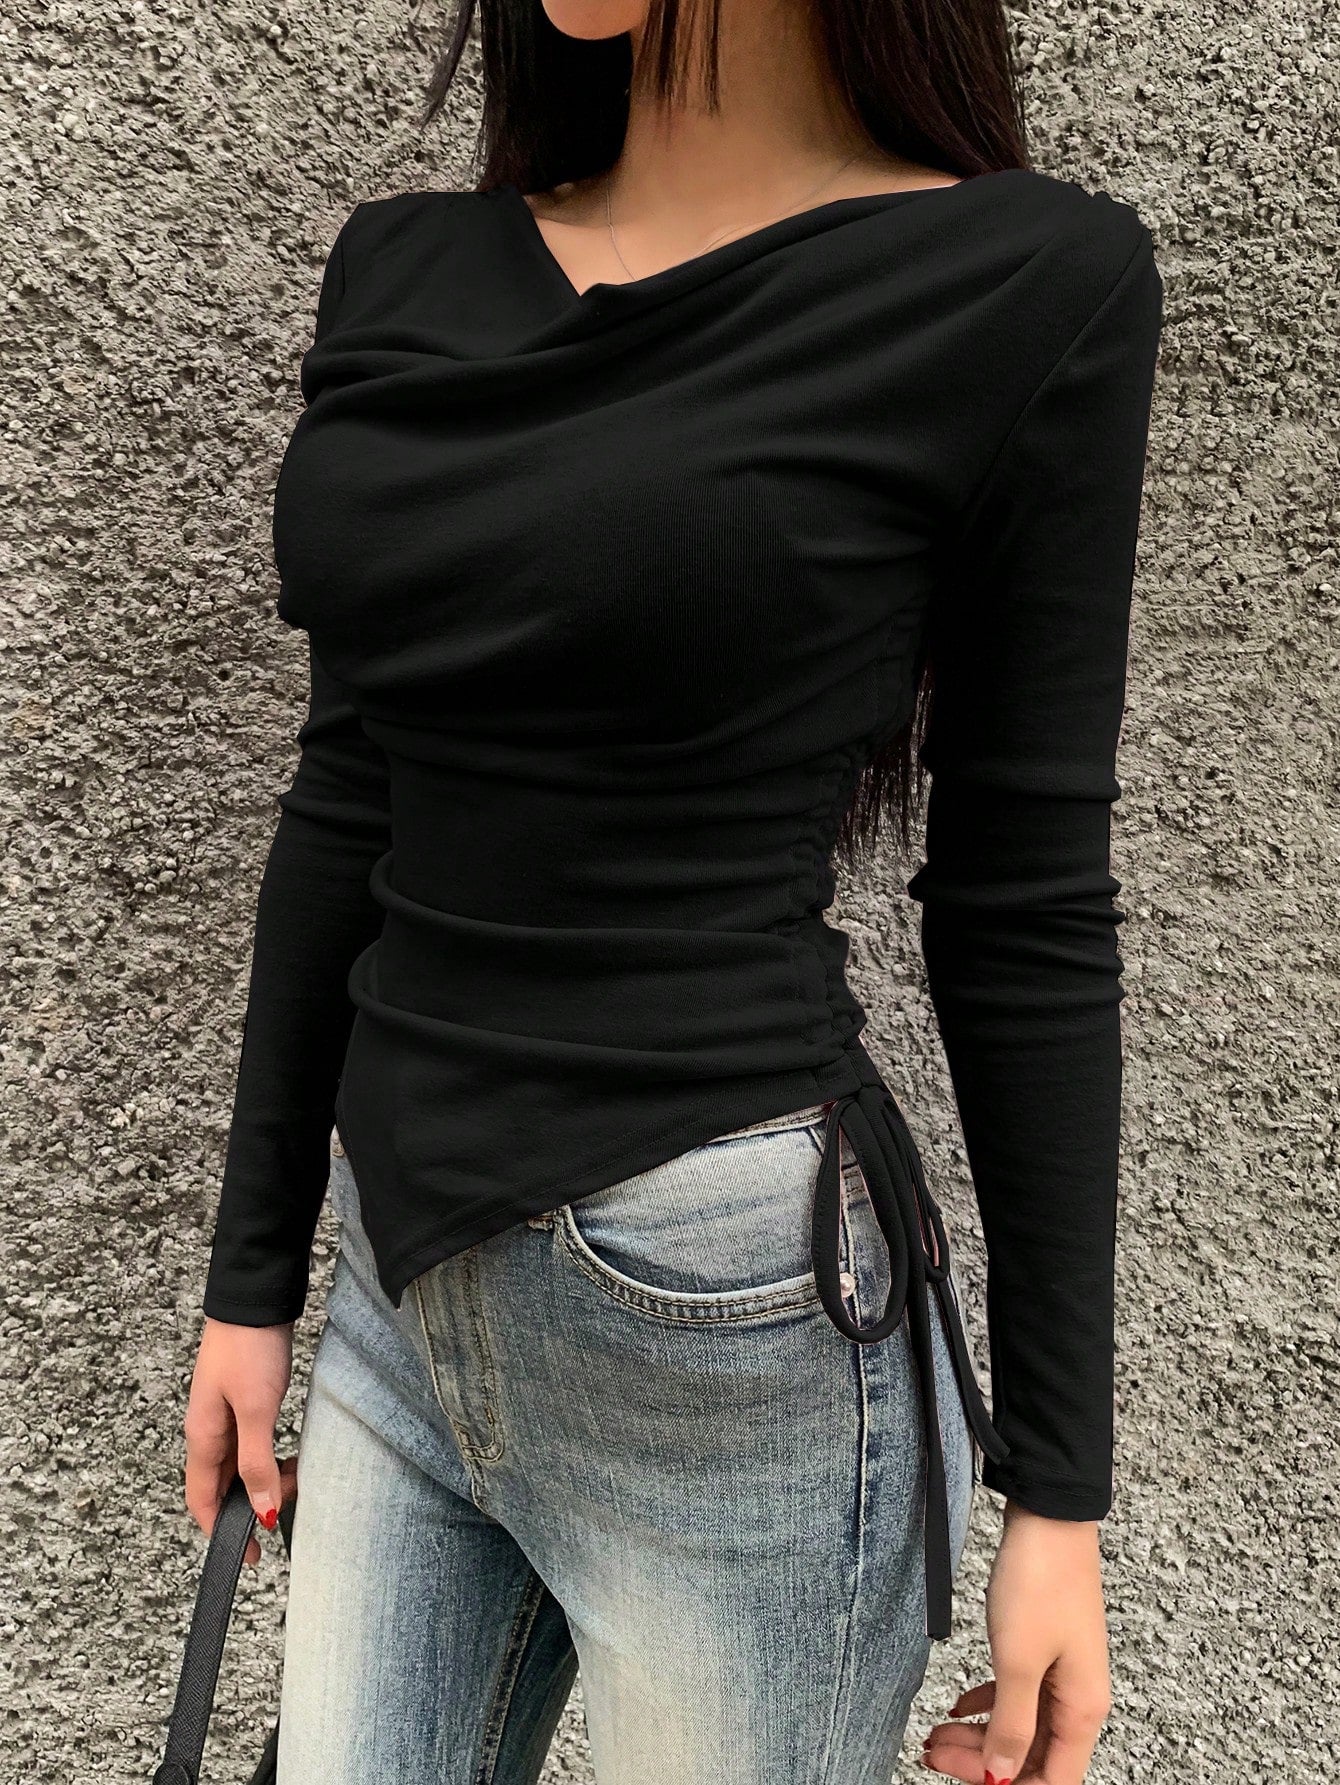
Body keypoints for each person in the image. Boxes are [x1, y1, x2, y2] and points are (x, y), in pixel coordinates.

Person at [181, 2, 1164, 1781]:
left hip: (736, 1349)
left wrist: (1061, 1498)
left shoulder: (1022, 286)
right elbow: (349, 792)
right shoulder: (408, 271)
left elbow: (1021, 899)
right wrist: (250, 1279)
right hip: (403, 1298)